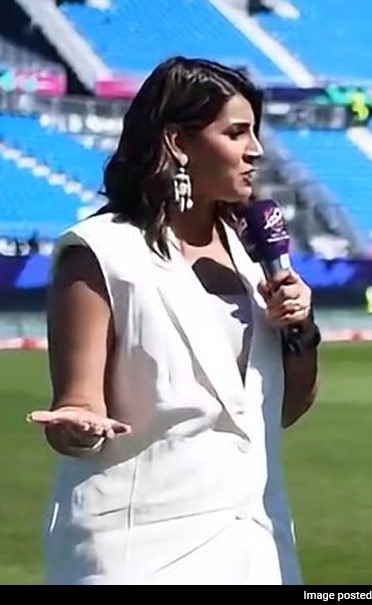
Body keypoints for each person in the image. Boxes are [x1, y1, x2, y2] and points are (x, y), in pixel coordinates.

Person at [26, 56, 321, 585]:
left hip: (257, 544)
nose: (256, 150)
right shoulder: (99, 252)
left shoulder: (256, 255)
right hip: (135, 550)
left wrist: (302, 327)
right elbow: (78, 403)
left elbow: (283, 410)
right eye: (236, 133)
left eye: (255, 132)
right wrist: (77, 425)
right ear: (178, 143)